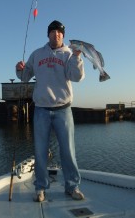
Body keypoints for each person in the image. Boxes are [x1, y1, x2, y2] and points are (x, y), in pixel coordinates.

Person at [15, 20, 85, 202]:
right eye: (53, 32)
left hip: (64, 110)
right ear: (48, 35)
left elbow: (76, 77)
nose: (57, 35)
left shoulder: (70, 54)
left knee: (68, 151)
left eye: (60, 32)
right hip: (41, 110)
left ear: (63, 35)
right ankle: (40, 188)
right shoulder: (37, 54)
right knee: (40, 151)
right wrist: (19, 69)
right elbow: (24, 76)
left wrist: (78, 57)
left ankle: (72, 186)